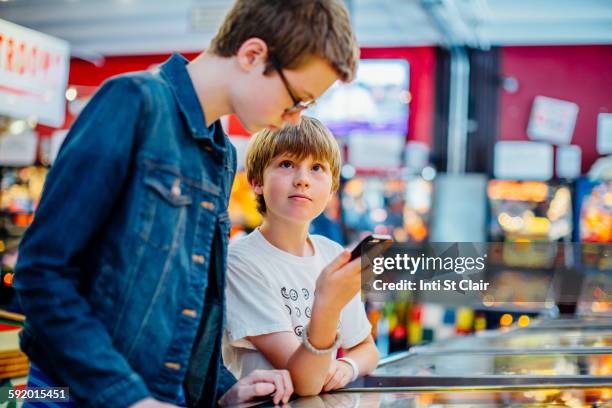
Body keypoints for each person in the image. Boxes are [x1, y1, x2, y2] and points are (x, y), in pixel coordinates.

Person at [13, 1, 359, 407]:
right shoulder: (132, 103)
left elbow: (194, 303)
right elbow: (42, 273)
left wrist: (220, 387)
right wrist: (129, 398)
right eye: (297, 99)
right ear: (252, 55)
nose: (294, 119)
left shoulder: (222, 153)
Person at [222, 117, 379, 396]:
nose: (302, 180)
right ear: (256, 181)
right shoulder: (239, 262)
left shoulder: (331, 253)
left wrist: (347, 367)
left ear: (331, 189)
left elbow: (367, 349)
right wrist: (328, 304)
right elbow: (306, 382)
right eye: (286, 164)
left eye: (317, 168)